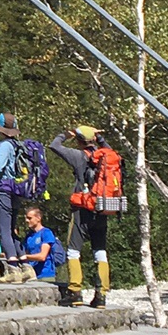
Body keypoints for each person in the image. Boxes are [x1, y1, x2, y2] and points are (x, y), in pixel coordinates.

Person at [52, 125, 124, 307]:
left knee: (73, 251)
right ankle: (101, 295)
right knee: (100, 252)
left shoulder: (78, 156)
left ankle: (75, 291)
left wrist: (64, 134)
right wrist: (100, 139)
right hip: (102, 209)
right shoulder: (106, 157)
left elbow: (54, 146)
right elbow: (109, 150)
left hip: (82, 210)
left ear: (79, 140)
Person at [0, 114, 37, 278]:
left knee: (4, 230)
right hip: (16, 190)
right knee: (12, 229)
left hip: (4, 190)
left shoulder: (5, 145)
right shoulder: (17, 144)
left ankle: (13, 268)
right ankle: (26, 266)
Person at [16, 205, 60, 286]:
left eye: (29, 218)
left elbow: (42, 256)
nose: (26, 220)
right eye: (26, 218)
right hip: (32, 276)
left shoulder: (46, 233)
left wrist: (25, 256)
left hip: (45, 276)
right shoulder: (29, 236)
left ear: (38, 218)